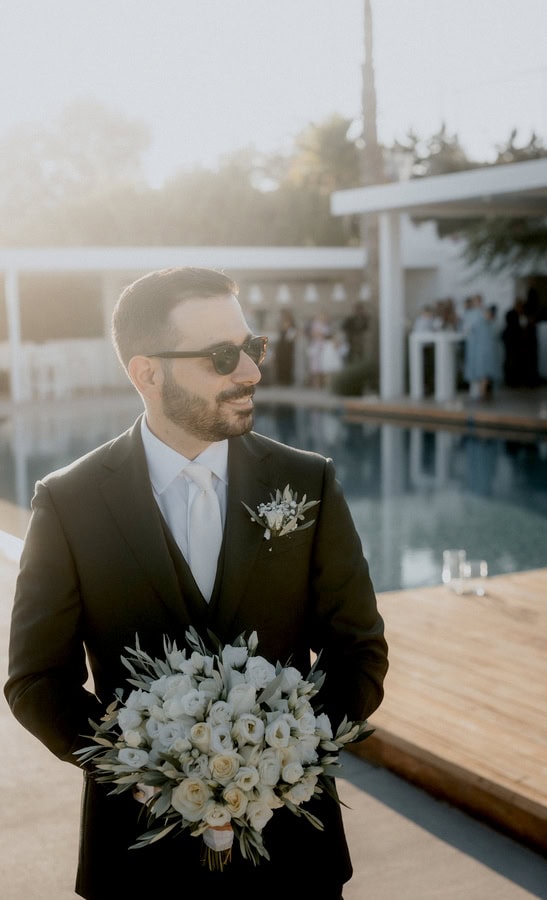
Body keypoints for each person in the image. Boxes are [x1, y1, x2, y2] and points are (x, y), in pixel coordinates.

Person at [4, 267, 388, 900]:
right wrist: (140, 764)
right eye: (222, 356)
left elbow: (359, 651)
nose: (252, 372)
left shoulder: (308, 483)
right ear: (146, 373)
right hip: (137, 862)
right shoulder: (68, 503)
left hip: (293, 857)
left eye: (251, 347)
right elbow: (35, 680)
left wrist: (288, 755)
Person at [273, 309, 297, 385]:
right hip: (281, 348)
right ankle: (280, 380)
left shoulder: (292, 326)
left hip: (288, 348)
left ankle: (287, 380)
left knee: (288, 363)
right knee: (280, 363)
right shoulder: (280, 324)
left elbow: (291, 337)